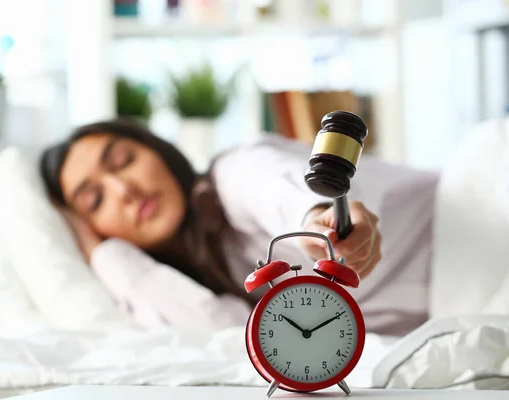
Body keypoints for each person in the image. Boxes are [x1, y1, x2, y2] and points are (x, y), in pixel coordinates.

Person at [40, 118, 439, 336]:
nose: (123, 189)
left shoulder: (232, 176)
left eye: (123, 159)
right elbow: (229, 336)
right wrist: (102, 252)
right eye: (94, 200)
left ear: (156, 149)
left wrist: (315, 218)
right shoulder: (188, 289)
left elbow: (275, 187)